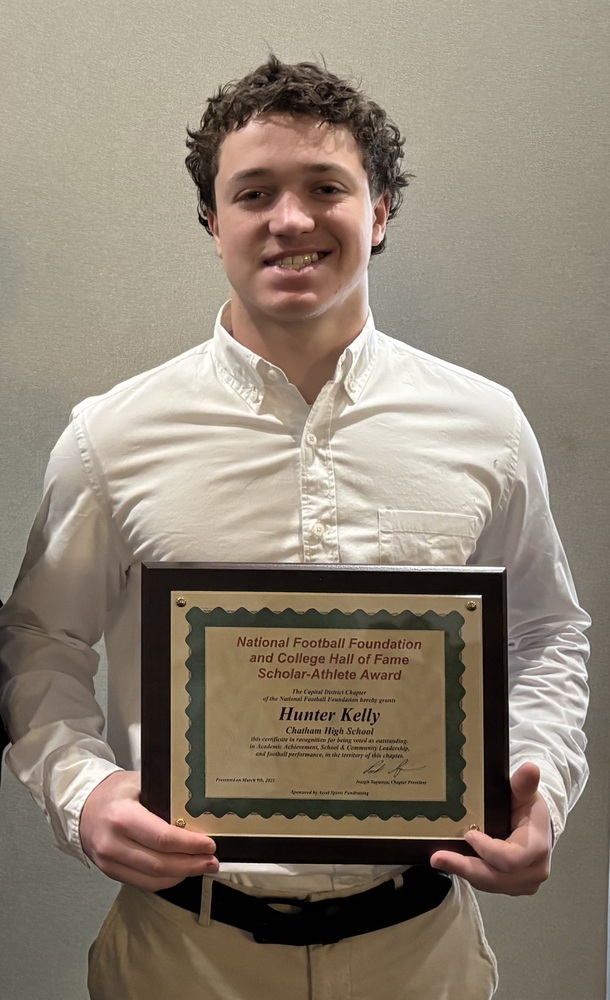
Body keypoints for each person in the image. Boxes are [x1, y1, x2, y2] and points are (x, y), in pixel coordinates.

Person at [0, 56, 589, 999]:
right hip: (181, 956)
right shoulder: (111, 435)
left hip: (420, 952)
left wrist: (539, 783)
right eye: (254, 192)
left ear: (381, 211)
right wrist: (84, 792)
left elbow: (547, 630)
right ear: (212, 220)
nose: (291, 219)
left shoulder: (487, 425)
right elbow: (41, 637)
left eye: (328, 188)